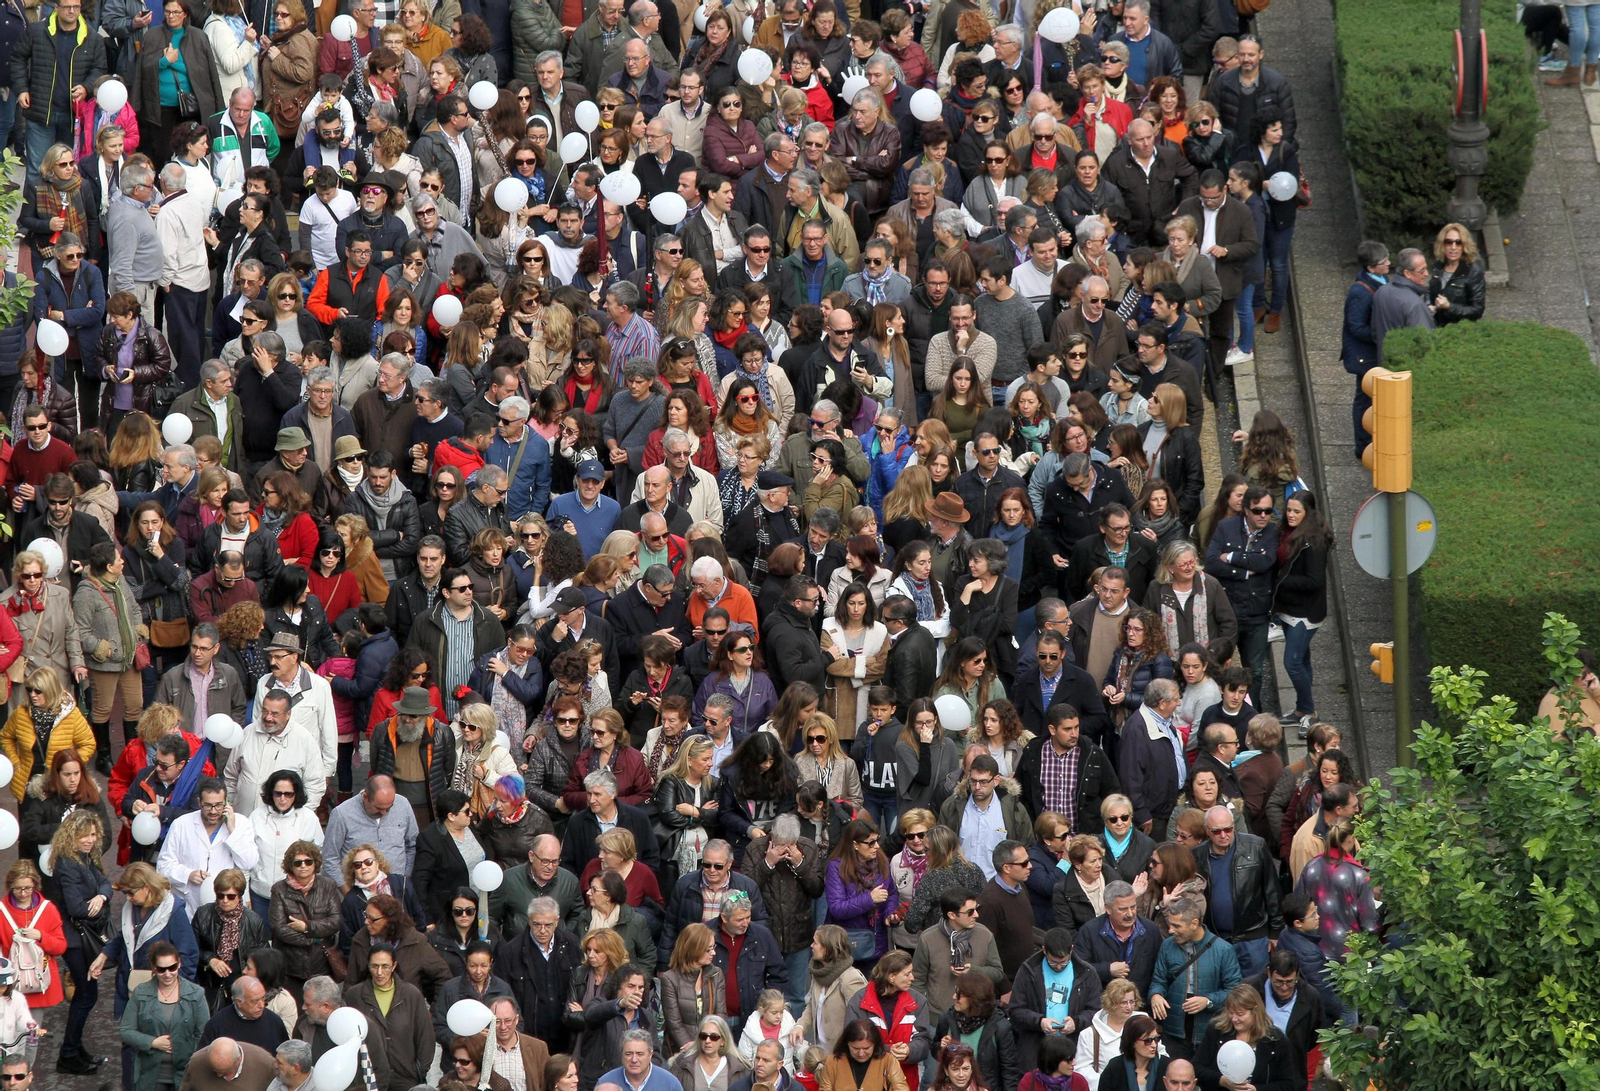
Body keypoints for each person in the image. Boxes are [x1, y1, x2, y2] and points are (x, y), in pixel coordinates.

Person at [1147, 895, 1241, 1061]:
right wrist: (1156, 995)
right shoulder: (1167, 946)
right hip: (1174, 1032)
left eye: (1177, 926)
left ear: (1194, 923)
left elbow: (1234, 991)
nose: (1170, 931)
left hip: (1209, 1032)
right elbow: (1158, 980)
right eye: (1170, 925)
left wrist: (1208, 1001)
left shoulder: (1224, 950)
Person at [118, 939, 210, 1091]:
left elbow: (203, 1034)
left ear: (179, 963)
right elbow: (126, 1030)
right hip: (151, 1074)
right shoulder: (141, 993)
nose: (168, 974)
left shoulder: (196, 994)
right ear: (154, 968)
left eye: (172, 967)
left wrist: (184, 1049)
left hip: (186, 1074)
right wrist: (152, 1042)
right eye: (162, 969)